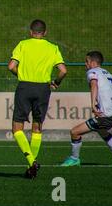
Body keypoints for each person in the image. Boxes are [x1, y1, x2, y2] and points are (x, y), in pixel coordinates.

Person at [8, 19, 67, 179]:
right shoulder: (52, 48)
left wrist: (20, 74)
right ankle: (31, 166)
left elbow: (11, 66)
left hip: (25, 87)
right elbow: (63, 70)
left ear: (30, 32)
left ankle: (31, 161)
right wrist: (56, 82)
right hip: (43, 89)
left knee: (17, 128)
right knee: (37, 127)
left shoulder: (23, 44)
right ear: (45, 33)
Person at [61, 51, 112, 167]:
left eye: (87, 61)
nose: (85, 64)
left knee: (74, 132)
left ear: (93, 62)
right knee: (102, 131)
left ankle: (74, 159)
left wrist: (93, 105)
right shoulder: (108, 73)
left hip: (106, 114)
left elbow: (94, 85)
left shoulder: (92, 72)